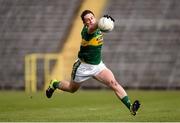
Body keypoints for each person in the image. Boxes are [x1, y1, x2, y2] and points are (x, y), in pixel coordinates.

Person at [46, 10, 140, 116]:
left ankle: (131, 108)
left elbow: (100, 26)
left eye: (92, 18)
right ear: (84, 23)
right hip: (83, 67)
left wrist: (107, 22)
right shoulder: (87, 31)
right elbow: (92, 27)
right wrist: (101, 21)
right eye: (87, 20)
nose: (90, 20)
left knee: (114, 83)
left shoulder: (98, 26)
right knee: (72, 89)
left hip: (98, 66)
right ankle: (54, 84)